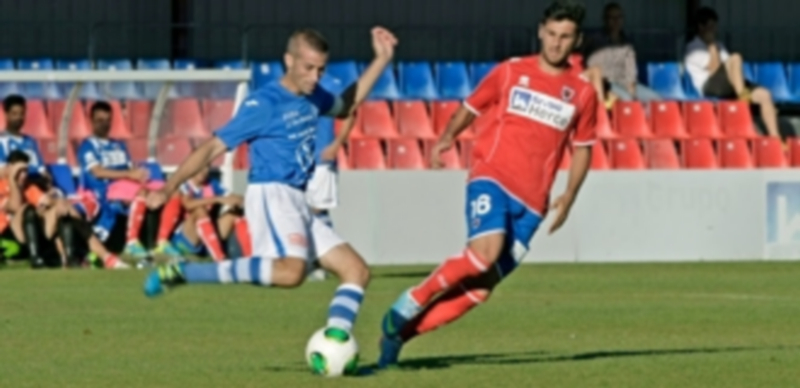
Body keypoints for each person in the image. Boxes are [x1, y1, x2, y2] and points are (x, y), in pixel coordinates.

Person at [377, 0, 597, 368]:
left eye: (565, 37)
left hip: (533, 205)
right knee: (484, 253)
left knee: (479, 289)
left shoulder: (583, 93)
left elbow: (583, 148)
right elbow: (472, 105)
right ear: (541, 31)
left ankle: (397, 336)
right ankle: (412, 299)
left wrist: (570, 195)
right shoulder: (510, 71)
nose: (557, 43)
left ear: (577, 41)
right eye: (552, 34)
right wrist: (448, 136)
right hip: (493, 177)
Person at [141, 27, 397, 337]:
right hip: (272, 193)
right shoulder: (263, 103)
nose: (315, 77)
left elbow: (345, 106)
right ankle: (185, 272)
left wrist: (381, 59)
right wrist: (168, 188)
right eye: (308, 68)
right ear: (289, 60)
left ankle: (335, 341)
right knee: (291, 273)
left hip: (298, 198)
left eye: (321, 69)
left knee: (356, 271)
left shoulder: (313, 95)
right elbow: (212, 147)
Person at [77, 101, 182, 259]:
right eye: (99, 120)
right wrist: (129, 174)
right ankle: (131, 243)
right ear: (91, 121)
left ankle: (162, 243)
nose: (104, 124)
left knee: (172, 191)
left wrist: (138, 173)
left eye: (107, 120)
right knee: (141, 192)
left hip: (128, 184)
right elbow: (97, 172)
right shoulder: (88, 146)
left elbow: (129, 167)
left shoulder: (119, 145)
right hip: (108, 188)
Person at [684, 6, 780, 139]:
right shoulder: (693, 48)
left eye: (715, 26)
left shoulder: (719, 45)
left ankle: (776, 139)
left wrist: (715, 45)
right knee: (736, 57)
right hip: (709, 85)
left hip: (727, 84)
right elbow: (713, 68)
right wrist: (711, 45)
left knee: (764, 94)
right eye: (711, 26)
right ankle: (742, 98)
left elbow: (729, 68)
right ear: (701, 27)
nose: (715, 30)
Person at [166, 165, 250, 261]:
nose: (203, 171)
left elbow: (232, 197)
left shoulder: (212, 184)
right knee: (200, 210)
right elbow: (188, 204)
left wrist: (240, 200)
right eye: (200, 167)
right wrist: (217, 199)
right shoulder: (185, 184)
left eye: (206, 168)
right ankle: (220, 258)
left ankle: (251, 258)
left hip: (207, 233)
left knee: (234, 214)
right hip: (186, 236)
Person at [584, 2, 660, 102]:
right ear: (605, 19)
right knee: (627, 99)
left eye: (619, 17)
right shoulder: (594, 40)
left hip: (625, 83)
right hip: (606, 84)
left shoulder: (627, 43)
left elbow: (631, 69)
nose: (616, 21)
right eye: (612, 18)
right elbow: (588, 65)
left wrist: (631, 85)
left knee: (656, 98)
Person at [0, 95, 48, 176]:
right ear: (6, 115)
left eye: (21, 113)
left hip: (36, 181)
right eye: (14, 114)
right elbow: (2, 172)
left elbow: (42, 170)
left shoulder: (31, 141)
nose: (19, 117)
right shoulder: (2, 141)